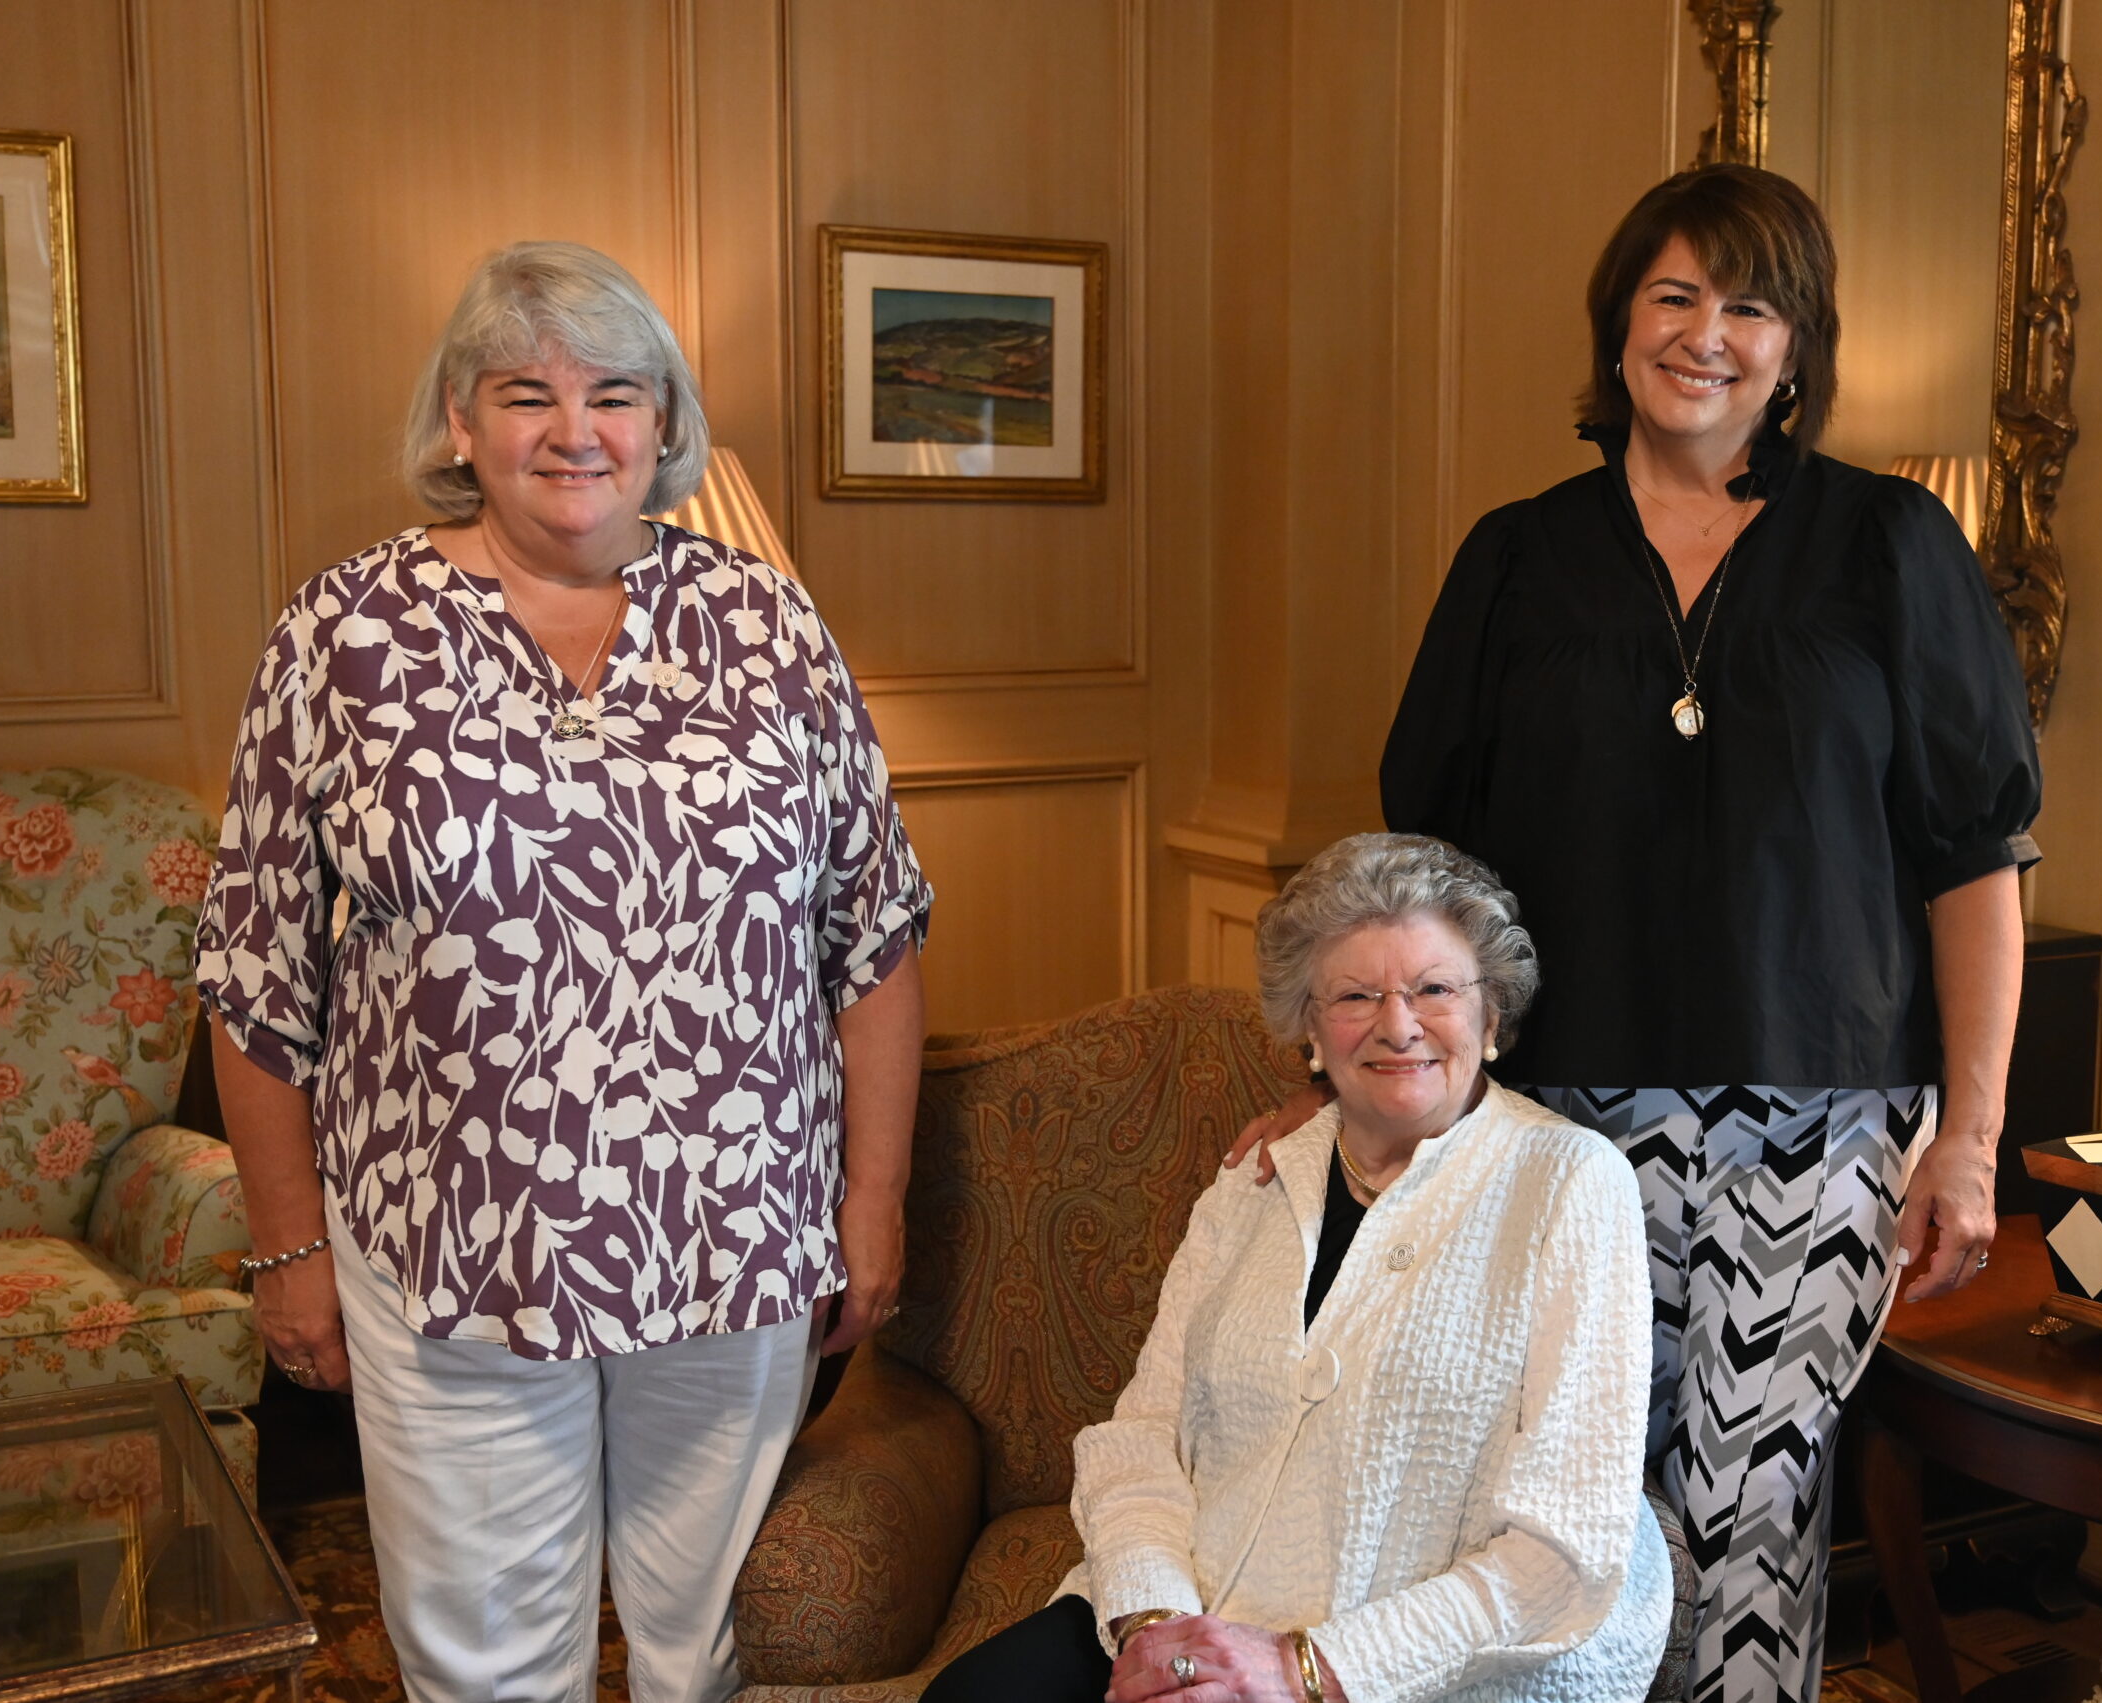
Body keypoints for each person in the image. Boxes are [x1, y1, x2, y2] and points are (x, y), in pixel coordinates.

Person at [1242, 166, 2040, 1703]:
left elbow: (1973, 863)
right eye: (1673, 296)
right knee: (1554, 1523)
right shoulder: (1515, 560)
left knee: (1753, 1528)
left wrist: (1971, 1139)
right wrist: (1358, 1081)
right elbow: (1426, 880)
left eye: (1751, 304)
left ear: (1798, 348)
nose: (1707, 334)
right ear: (1618, 328)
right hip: (1549, 1125)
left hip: (1817, 1136)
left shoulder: (1892, 547)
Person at [195, 241, 932, 1703]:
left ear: (664, 422)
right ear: (460, 424)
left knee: (704, 1642)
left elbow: (875, 932)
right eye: (525, 392)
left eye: (615, 391)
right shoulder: (343, 633)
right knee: (484, 1659)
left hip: (735, 1231)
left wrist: (872, 1194)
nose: (574, 429)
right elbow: (257, 970)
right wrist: (287, 1249)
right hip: (455, 1246)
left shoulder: (770, 623)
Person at [925, 833, 1673, 1703]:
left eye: (1435, 988)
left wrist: (1299, 1669)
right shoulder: (1256, 1178)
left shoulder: (1571, 1184)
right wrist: (1160, 1628)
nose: (1399, 1024)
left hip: (1401, 1662)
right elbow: (1141, 1436)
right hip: (1188, 1609)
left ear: (1491, 1015)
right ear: (1310, 1029)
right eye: (1357, 994)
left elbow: (1562, 1550)